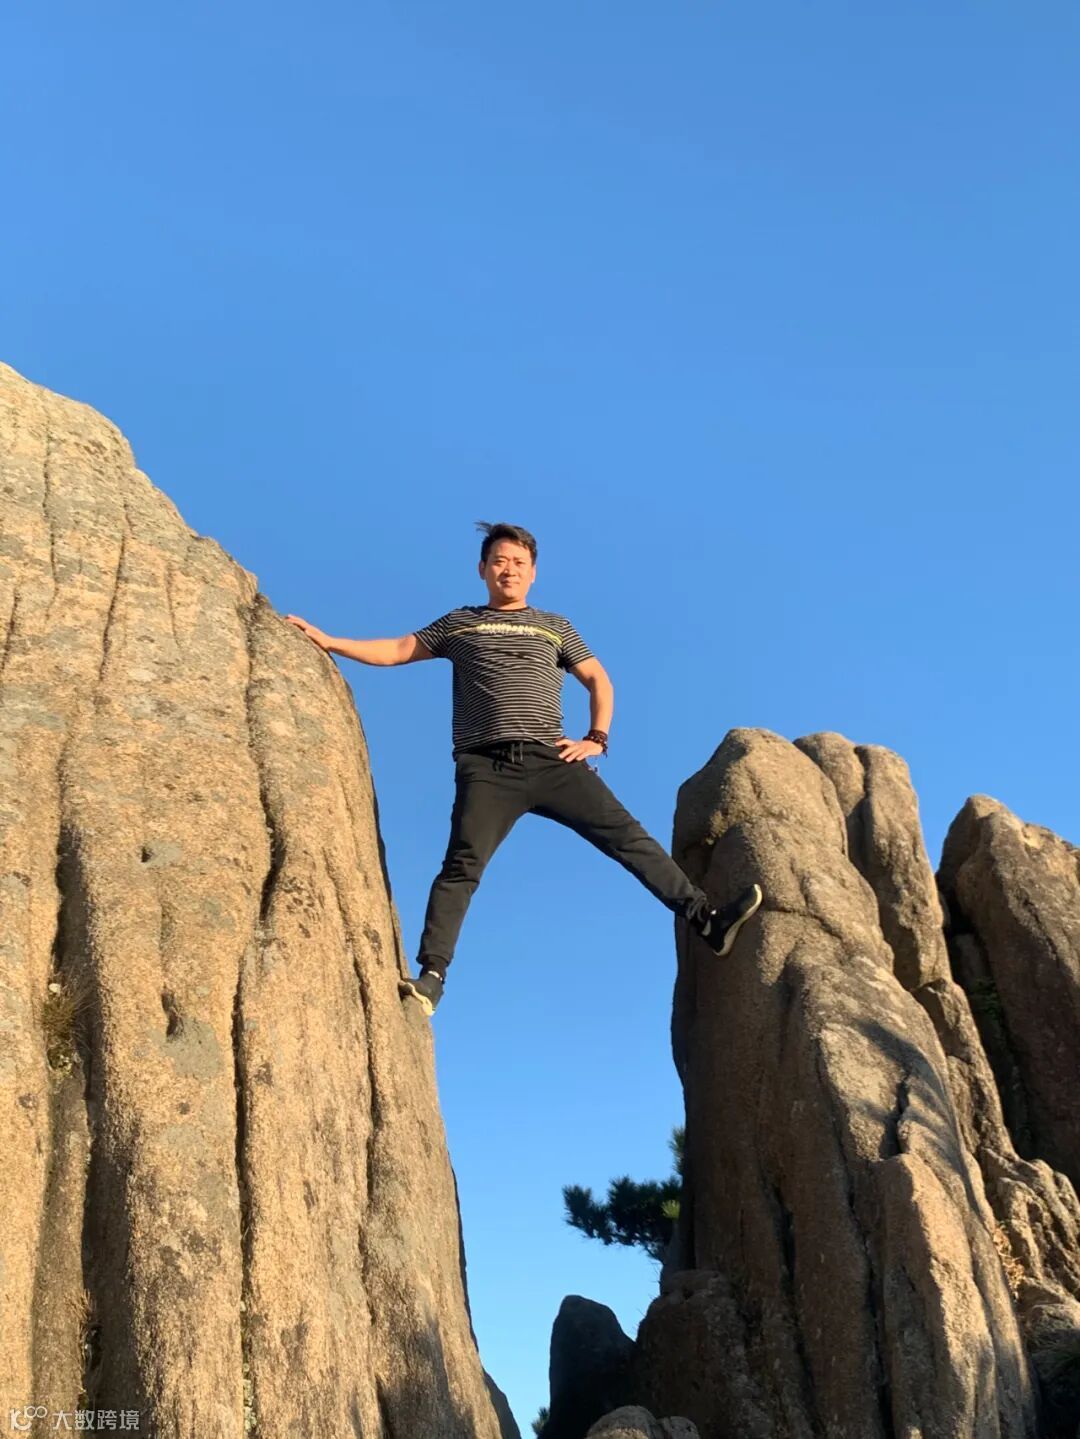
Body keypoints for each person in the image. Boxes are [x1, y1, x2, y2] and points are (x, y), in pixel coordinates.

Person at [285, 521, 762, 1017]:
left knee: (629, 839)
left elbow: (598, 679)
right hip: (486, 767)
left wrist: (596, 738)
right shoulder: (460, 623)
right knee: (461, 867)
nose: (508, 570)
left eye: (518, 563)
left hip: (553, 760)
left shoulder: (554, 626)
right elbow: (399, 650)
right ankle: (432, 977)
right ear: (482, 569)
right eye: (499, 561)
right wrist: (331, 641)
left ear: (533, 573)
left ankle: (707, 922)